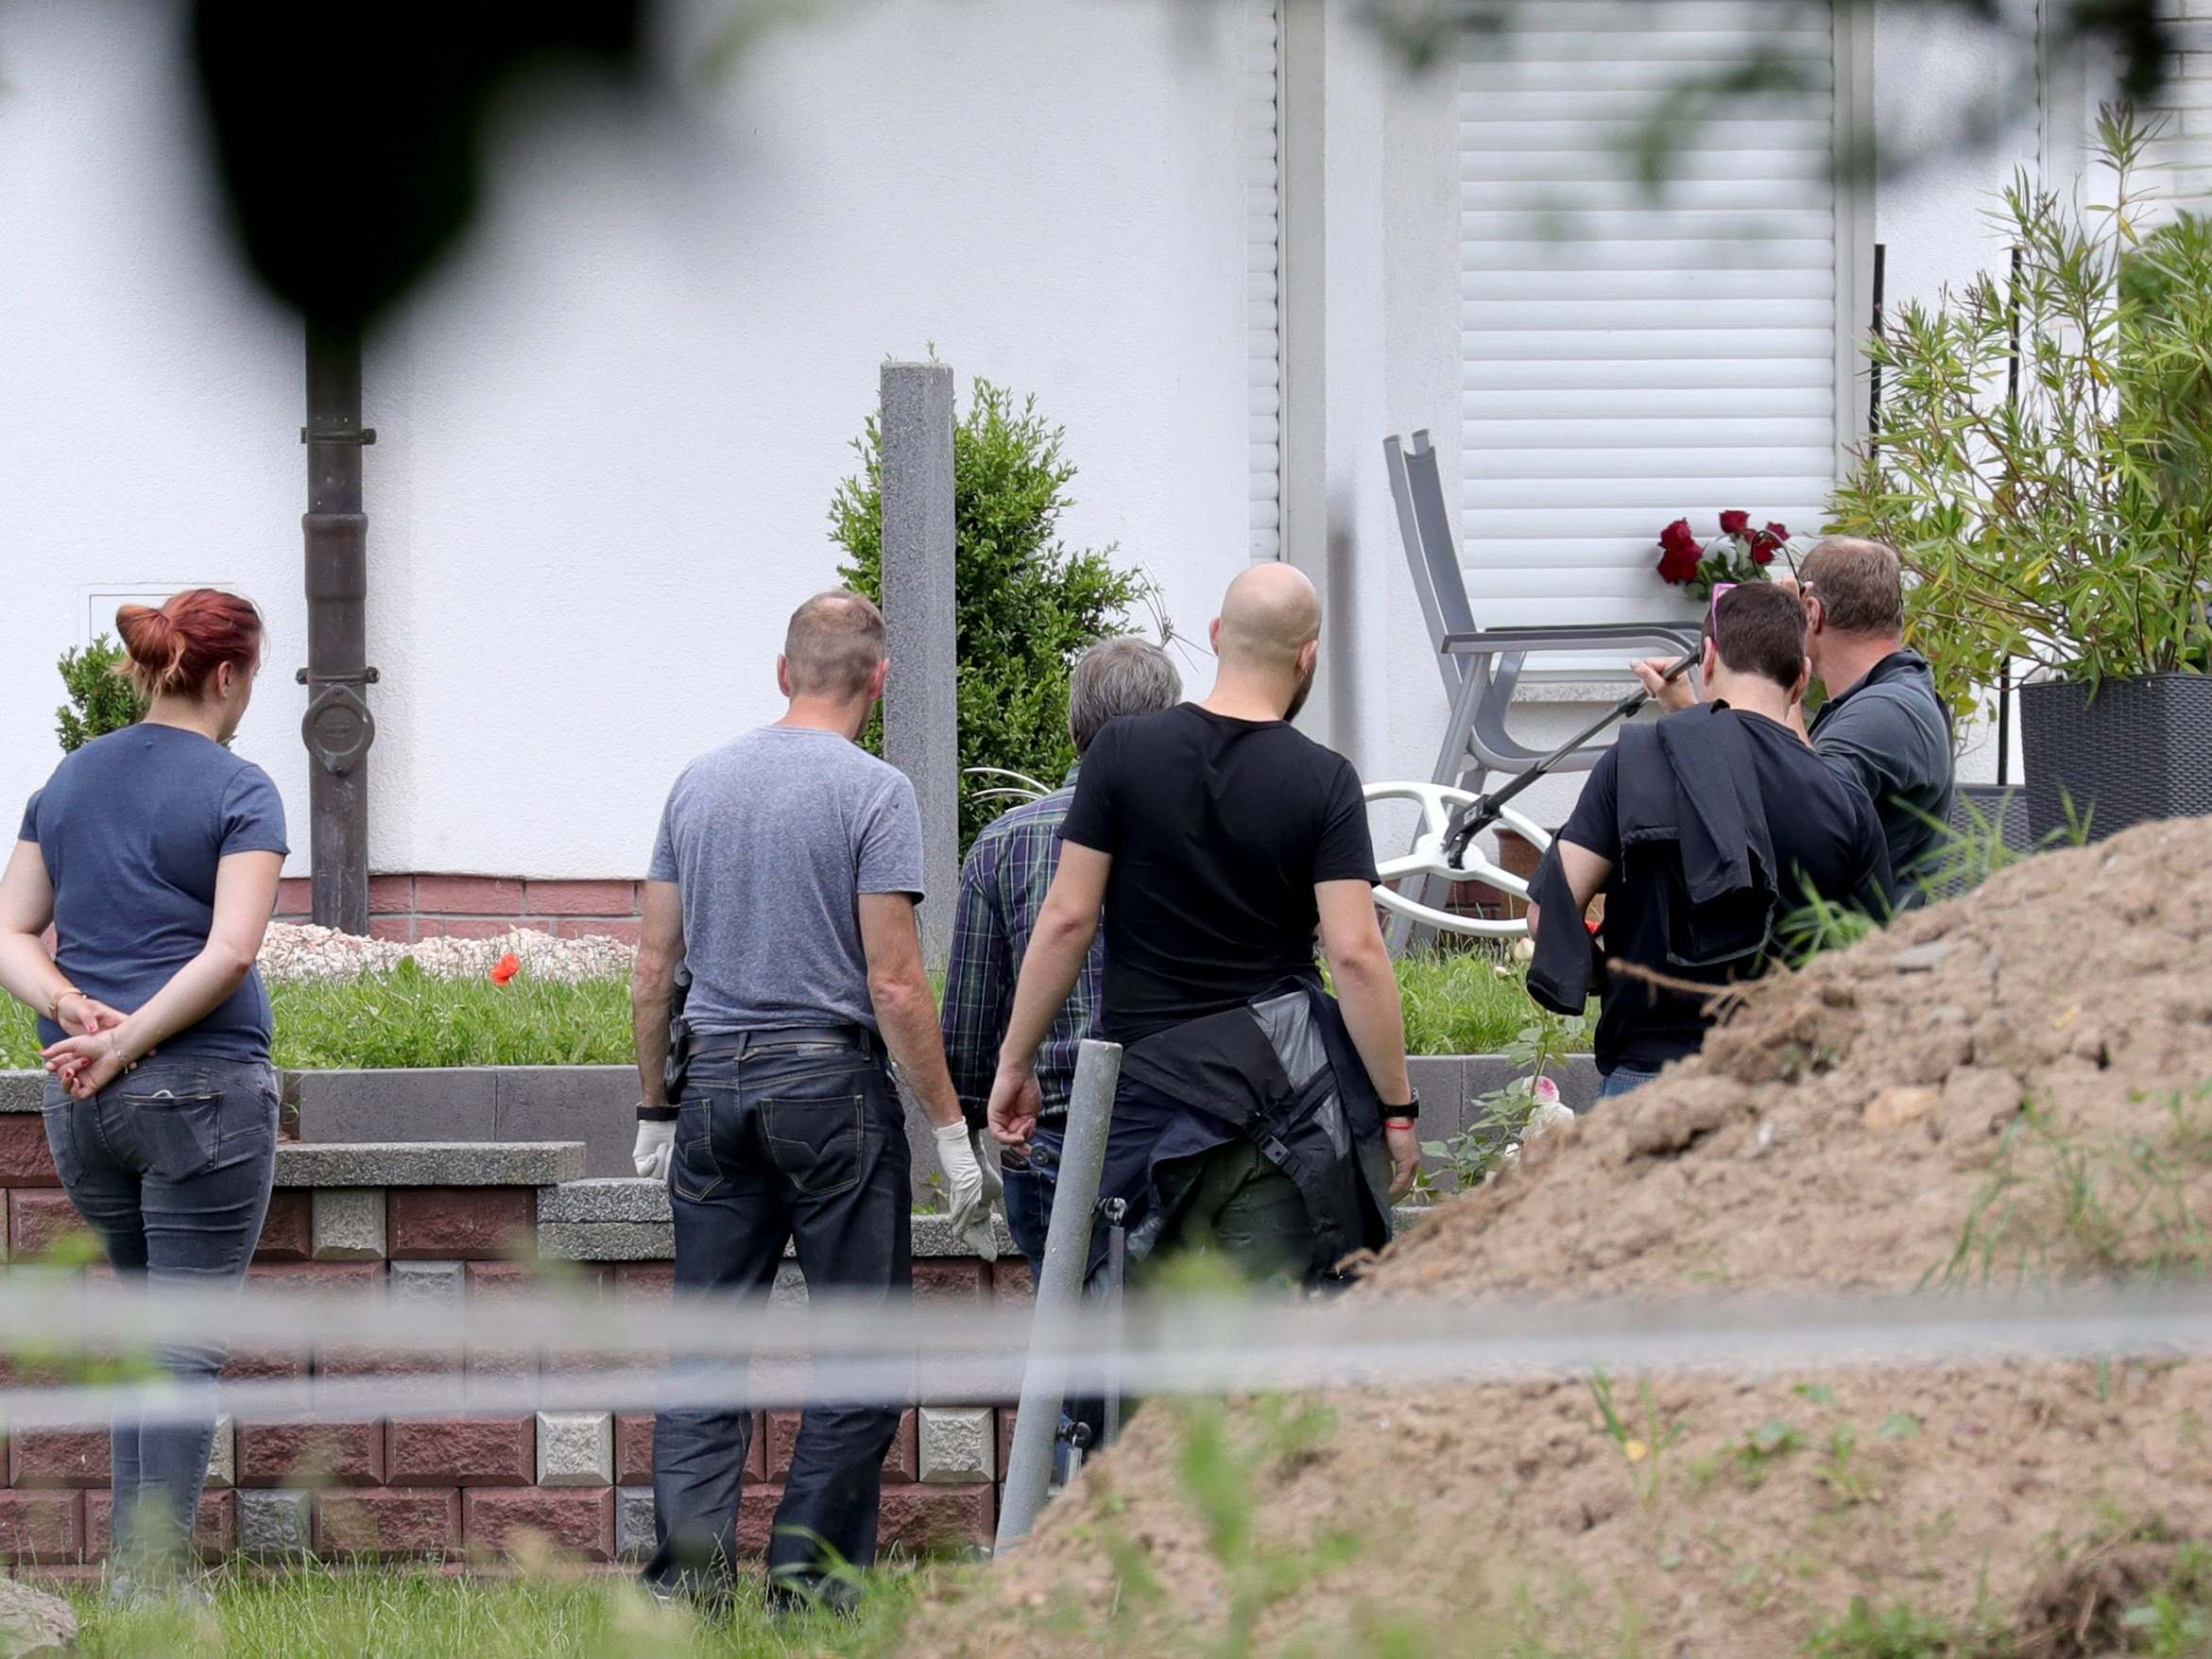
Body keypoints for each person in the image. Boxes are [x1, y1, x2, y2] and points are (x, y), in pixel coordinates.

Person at [629, 590, 997, 1609]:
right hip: (829, 1088)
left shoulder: (696, 785)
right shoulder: (876, 792)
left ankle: (688, 1589)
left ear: (782, 671)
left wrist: (655, 1106)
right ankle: (806, 1587)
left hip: (711, 1090)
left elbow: (653, 969)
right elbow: (893, 981)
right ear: (878, 682)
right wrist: (950, 1134)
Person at [986, 564, 1420, 1296]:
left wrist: (1014, 1064)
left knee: (1133, 1354)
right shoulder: (1325, 780)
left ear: (1217, 636)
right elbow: (1354, 953)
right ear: (1306, 655)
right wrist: (1398, 1111)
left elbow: (1065, 919)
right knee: (1267, 1362)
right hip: (1280, 1108)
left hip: (1149, 1106)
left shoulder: (1120, 753)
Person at [0, 590, 286, 1591]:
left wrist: (71, 1006)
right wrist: (127, 1042)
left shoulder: (67, 779)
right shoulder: (242, 788)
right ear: (227, 675)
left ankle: (136, 1574)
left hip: (83, 1105)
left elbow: (9, 932)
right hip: (200, 1093)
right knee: (181, 1349)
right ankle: (154, 1582)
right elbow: (230, 951)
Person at [1535, 583, 1892, 1097]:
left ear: (1706, 659)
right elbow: (1873, 964)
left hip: (1648, 1083)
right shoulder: (1843, 797)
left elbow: (1548, 916)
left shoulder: (1633, 762)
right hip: (1789, 1087)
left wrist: (1605, 971)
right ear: (1802, 681)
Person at [940, 636, 1182, 1274]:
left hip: (1047, 1133)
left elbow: (969, 1013)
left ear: (1075, 728)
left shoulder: (1004, 843)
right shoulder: (1210, 834)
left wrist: (965, 1124)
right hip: (1183, 1131)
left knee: (1067, 1341)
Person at [1634, 537, 1953, 899]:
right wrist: (1686, 709)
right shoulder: (1887, 698)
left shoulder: (1885, 713)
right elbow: (1775, 781)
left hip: (1865, 949)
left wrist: (1781, 657)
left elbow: (1803, 812)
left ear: (1812, 614)